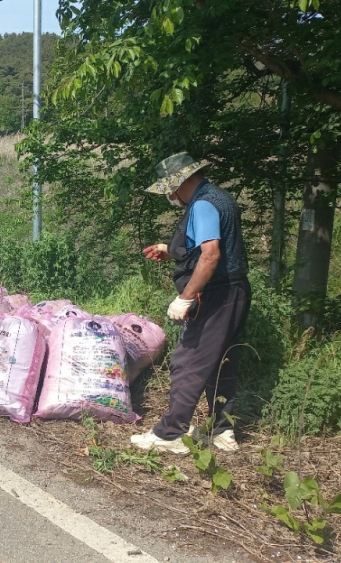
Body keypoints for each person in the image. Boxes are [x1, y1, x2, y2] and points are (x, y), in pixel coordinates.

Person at [131, 152, 251, 455]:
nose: (171, 196)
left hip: (214, 295)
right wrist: (168, 250)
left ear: (180, 182)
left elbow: (211, 255)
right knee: (221, 363)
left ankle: (171, 433)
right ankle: (222, 431)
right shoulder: (220, 197)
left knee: (187, 361)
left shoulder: (202, 205)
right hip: (236, 291)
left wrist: (184, 298)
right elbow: (201, 248)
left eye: (170, 189)